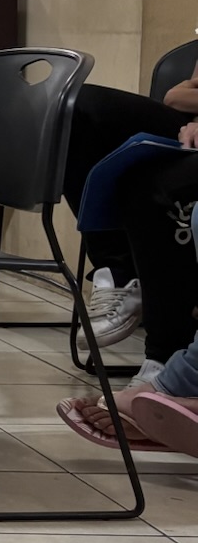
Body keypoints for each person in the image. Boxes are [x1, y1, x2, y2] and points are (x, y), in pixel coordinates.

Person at [62, 68, 198, 350]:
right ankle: (118, 272)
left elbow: (185, 94)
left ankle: (165, 351)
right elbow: (175, 97)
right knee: (77, 106)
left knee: (149, 181)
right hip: (190, 124)